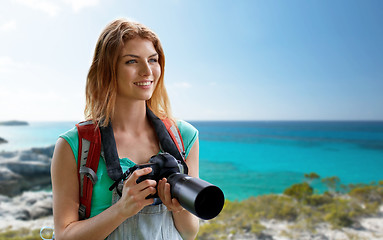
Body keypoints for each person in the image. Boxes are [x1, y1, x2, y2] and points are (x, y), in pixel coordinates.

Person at [51, 18, 200, 240]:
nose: (147, 71)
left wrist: (177, 207)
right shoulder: (75, 145)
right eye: (132, 61)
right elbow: (64, 235)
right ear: (107, 69)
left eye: (153, 60)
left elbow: (189, 232)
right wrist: (122, 209)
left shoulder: (184, 136)